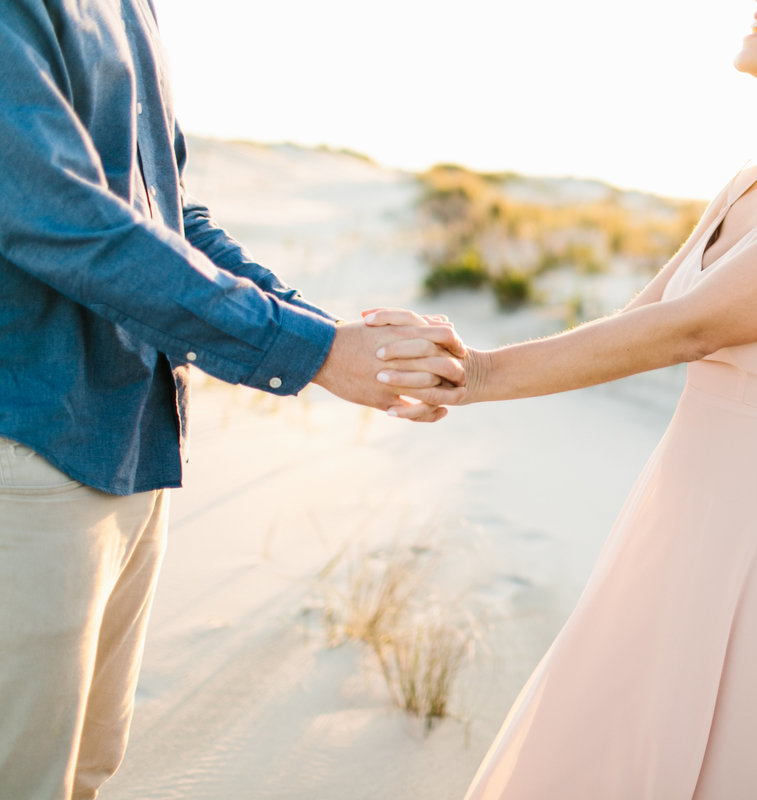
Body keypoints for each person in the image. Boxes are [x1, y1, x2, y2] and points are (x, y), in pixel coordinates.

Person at [370, 0, 757, 796]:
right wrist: (462, 372)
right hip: (675, 522)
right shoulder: (747, 184)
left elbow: (693, 328)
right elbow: (638, 328)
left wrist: (480, 375)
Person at [0, 2, 460, 798]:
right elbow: (65, 221)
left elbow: (172, 219)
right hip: (27, 462)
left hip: (130, 450)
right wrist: (312, 354)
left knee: (81, 775)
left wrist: (330, 335)